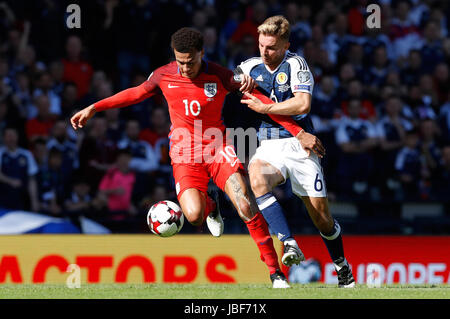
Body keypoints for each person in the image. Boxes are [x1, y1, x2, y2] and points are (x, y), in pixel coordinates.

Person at [70, 27, 305, 288]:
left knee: (245, 204)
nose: (184, 67)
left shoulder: (220, 75)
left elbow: (261, 100)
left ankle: (276, 273)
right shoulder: (163, 75)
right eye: (180, 61)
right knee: (193, 216)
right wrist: (94, 107)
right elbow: (135, 93)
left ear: (201, 53)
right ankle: (212, 205)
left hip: (218, 147)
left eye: (190, 62)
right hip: (184, 153)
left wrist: (298, 132)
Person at [239, 15, 355, 287]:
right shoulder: (248, 67)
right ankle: (289, 243)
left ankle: (342, 266)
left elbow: (302, 105)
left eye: (271, 48)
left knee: (322, 219)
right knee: (256, 178)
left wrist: (266, 108)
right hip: (268, 144)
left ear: (285, 45)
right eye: (261, 46)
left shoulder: (296, 65)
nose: (265, 53)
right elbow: (224, 81)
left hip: (300, 146)